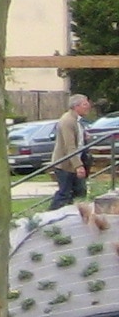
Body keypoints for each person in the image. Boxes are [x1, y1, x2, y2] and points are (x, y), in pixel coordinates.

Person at [53, 94, 106, 230]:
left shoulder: (77, 121)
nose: (88, 106)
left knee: (80, 192)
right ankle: (50, 217)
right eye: (84, 104)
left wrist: (84, 137)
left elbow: (78, 142)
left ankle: (76, 220)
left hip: (76, 162)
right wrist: (78, 166)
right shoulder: (67, 121)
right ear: (76, 106)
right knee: (64, 194)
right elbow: (69, 146)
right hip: (65, 164)